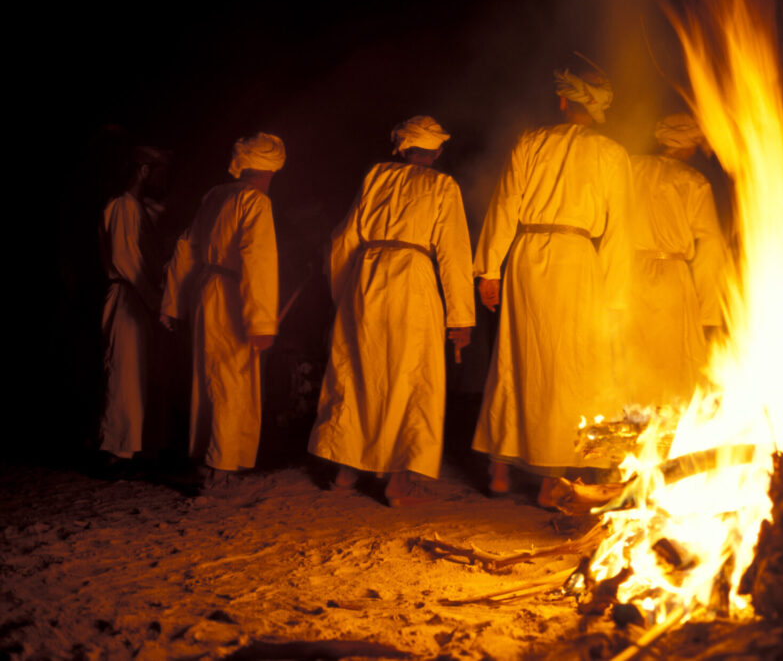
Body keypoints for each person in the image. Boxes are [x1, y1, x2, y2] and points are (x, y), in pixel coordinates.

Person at [472, 63, 634, 508]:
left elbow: (506, 200)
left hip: (526, 255)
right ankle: (551, 480)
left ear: (563, 101)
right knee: (570, 366)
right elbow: (620, 228)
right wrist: (616, 297)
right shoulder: (611, 152)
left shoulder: (531, 141)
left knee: (516, 357)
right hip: (577, 261)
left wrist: (490, 268)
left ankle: (500, 471)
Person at [308, 116, 475, 507]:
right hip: (412, 281)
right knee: (411, 375)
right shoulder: (442, 185)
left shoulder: (376, 176)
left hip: (366, 278)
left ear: (402, 147)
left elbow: (344, 237)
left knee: (359, 369)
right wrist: (460, 317)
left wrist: (343, 296)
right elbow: (453, 252)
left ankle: (347, 470)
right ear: (435, 150)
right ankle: (398, 481)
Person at [160, 133, 285, 487]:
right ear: (271, 169)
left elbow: (186, 247)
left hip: (204, 290)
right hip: (232, 292)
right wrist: (261, 321)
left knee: (209, 374)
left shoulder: (216, 195)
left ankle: (207, 454)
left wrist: (174, 303)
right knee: (231, 376)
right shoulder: (255, 201)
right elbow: (258, 260)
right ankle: (223, 463)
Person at [626, 113, 728, 406]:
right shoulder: (693, 181)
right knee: (673, 360)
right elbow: (711, 245)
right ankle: (666, 429)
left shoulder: (630, 167)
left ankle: (633, 425)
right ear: (689, 146)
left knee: (632, 353)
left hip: (630, 273)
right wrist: (708, 312)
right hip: (672, 277)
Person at [97, 146, 169, 474]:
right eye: (156, 170)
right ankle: (116, 453)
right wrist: (156, 301)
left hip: (137, 298)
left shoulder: (137, 208)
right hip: (128, 297)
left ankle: (132, 449)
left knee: (138, 373)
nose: (161, 178)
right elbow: (125, 259)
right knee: (124, 373)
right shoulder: (124, 206)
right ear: (142, 171)